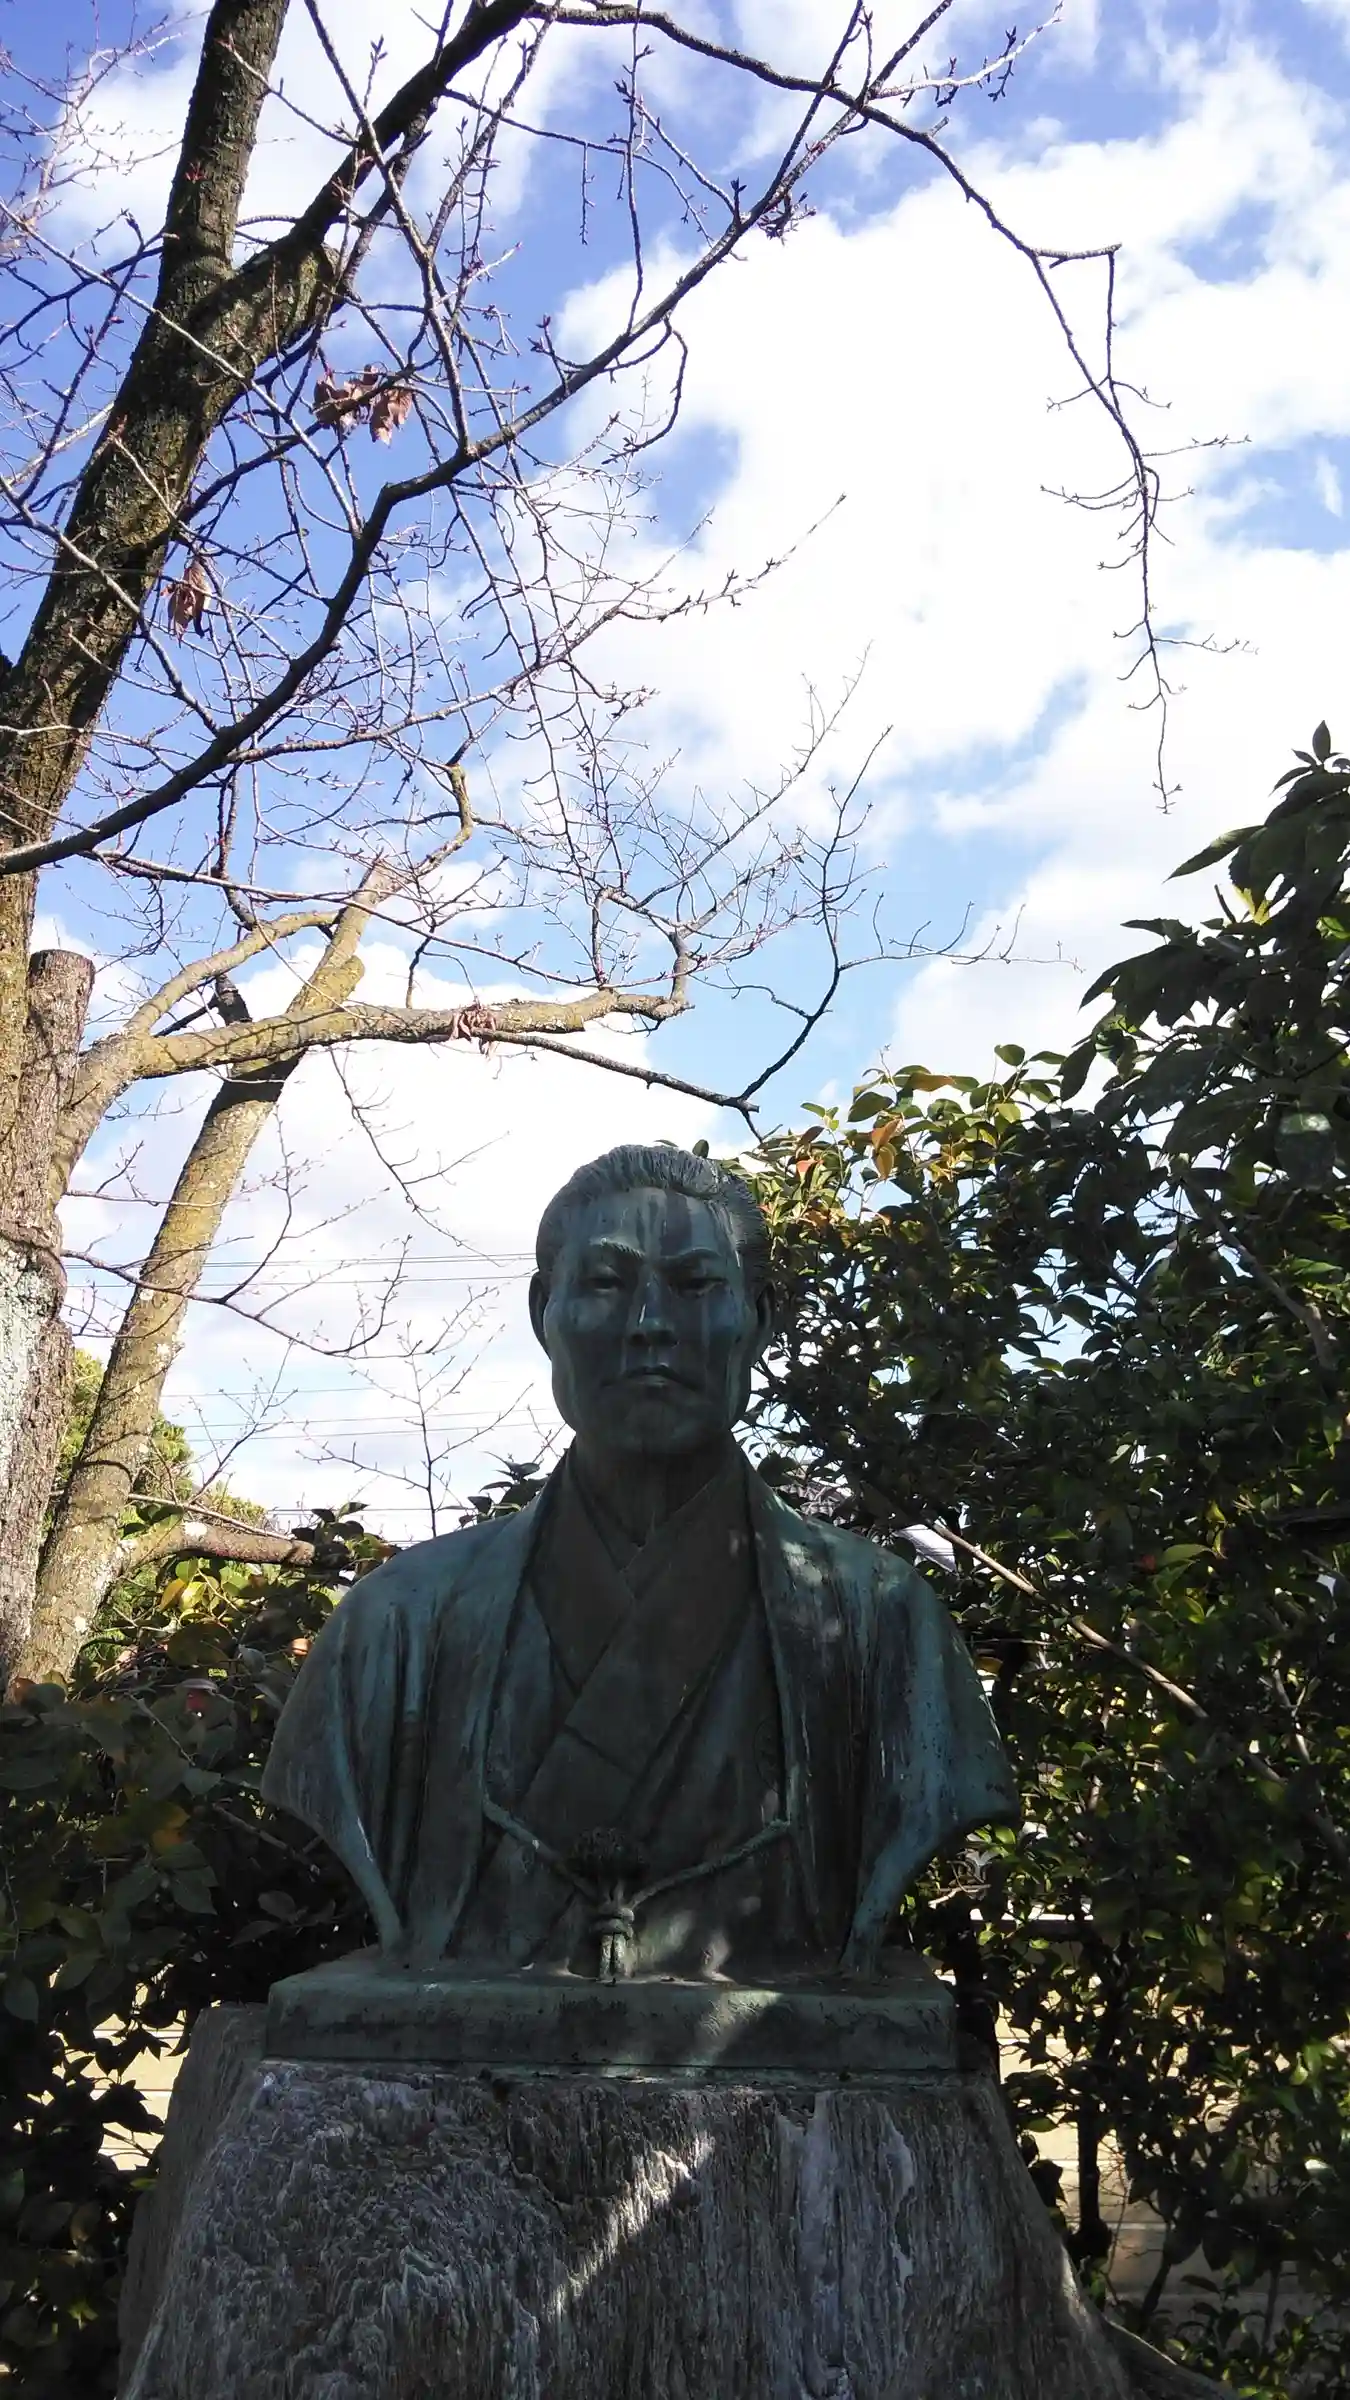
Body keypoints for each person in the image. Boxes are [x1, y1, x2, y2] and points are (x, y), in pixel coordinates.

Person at [262, 1145, 1018, 1981]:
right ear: (543, 1313)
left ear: (760, 1319)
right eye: (605, 1283)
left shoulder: (883, 1619)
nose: (650, 1322)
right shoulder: (396, 1622)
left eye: (696, 1285)